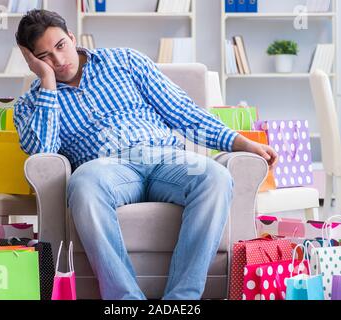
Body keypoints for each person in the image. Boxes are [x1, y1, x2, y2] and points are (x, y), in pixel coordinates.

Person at [14, 9, 277, 300]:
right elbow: (43, 153)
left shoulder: (124, 60)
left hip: (166, 158)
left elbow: (183, 113)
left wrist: (243, 143)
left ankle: (182, 300)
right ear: (33, 62)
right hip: (106, 169)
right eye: (45, 56)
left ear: (72, 37)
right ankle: (126, 301)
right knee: (84, 183)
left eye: (61, 46)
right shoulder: (31, 104)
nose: (59, 60)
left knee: (215, 176)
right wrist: (48, 83)